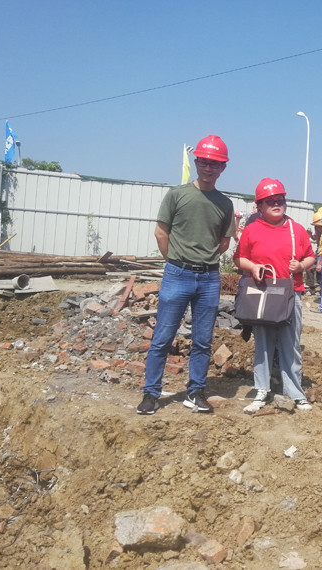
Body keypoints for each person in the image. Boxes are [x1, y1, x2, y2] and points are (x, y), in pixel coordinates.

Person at [137, 135, 235, 415]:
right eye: (204, 162)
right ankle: (151, 393)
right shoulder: (177, 195)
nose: (208, 168)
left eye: (214, 164)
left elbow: (224, 243)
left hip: (209, 279)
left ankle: (196, 391)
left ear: (223, 168)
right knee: (163, 337)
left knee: (202, 340)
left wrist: (201, 259)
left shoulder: (224, 204)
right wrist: (175, 261)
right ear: (196, 162)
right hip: (177, 274)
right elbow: (161, 232)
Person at [234, 178, 316, 413]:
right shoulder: (252, 230)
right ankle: (262, 388)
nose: (276, 204)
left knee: (291, 344)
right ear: (260, 206)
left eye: (280, 200)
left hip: (290, 293)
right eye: (270, 201)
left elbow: (310, 256)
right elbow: (239, 258)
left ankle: (295, 392)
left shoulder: (296, 230)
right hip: (263, 294)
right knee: (263, 343)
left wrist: (301, 266)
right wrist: (253, 267)